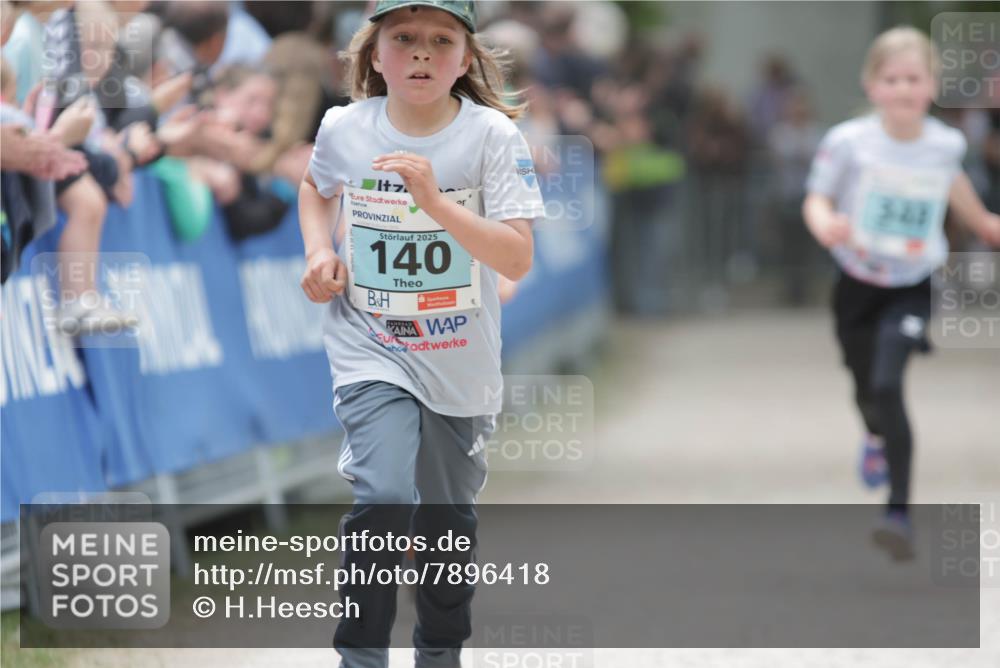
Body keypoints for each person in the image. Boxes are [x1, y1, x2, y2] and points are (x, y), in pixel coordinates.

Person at [297, 2, 544, 666]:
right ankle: (361, 656)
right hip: (371, 345)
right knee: (381, 496)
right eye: (403, 38)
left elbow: (517, 259)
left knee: (444, 525)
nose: (422, 53)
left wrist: (433, 203)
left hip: (458, 358)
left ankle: (439, 652)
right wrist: (319, 251)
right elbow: (316, 186)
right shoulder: (345, 127)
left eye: (442, 41)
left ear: (465, 60)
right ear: (374, 55)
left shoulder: (492, 137)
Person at [803, 27, 1000, 561]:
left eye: (914, 78)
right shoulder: (848, 141)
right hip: (856, 283)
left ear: (932, 85)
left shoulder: (944, 144)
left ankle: (898, 514)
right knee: (865, 386)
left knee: (889, 383)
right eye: (892, 79)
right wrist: (825, 225)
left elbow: (952, 183)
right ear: (872, 86)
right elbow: (816, 198)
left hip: (913, 283)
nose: (904, 89)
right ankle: (873, 437)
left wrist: (983, 222)